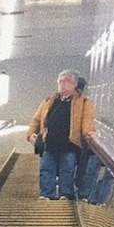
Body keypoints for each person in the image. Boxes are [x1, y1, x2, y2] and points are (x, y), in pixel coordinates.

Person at [26, 70, 95, 201]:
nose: (62, 84)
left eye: (66, 81)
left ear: (74, 84)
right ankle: (46, 194)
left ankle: (66, 195)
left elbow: (87, 120)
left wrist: (88, 133)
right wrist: (30, 134)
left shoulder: (84, 102)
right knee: (46, 169)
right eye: (60, 81)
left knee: (67, 170)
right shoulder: (49, 101)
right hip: (50, 142)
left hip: (70, 143)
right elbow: (36, 120)